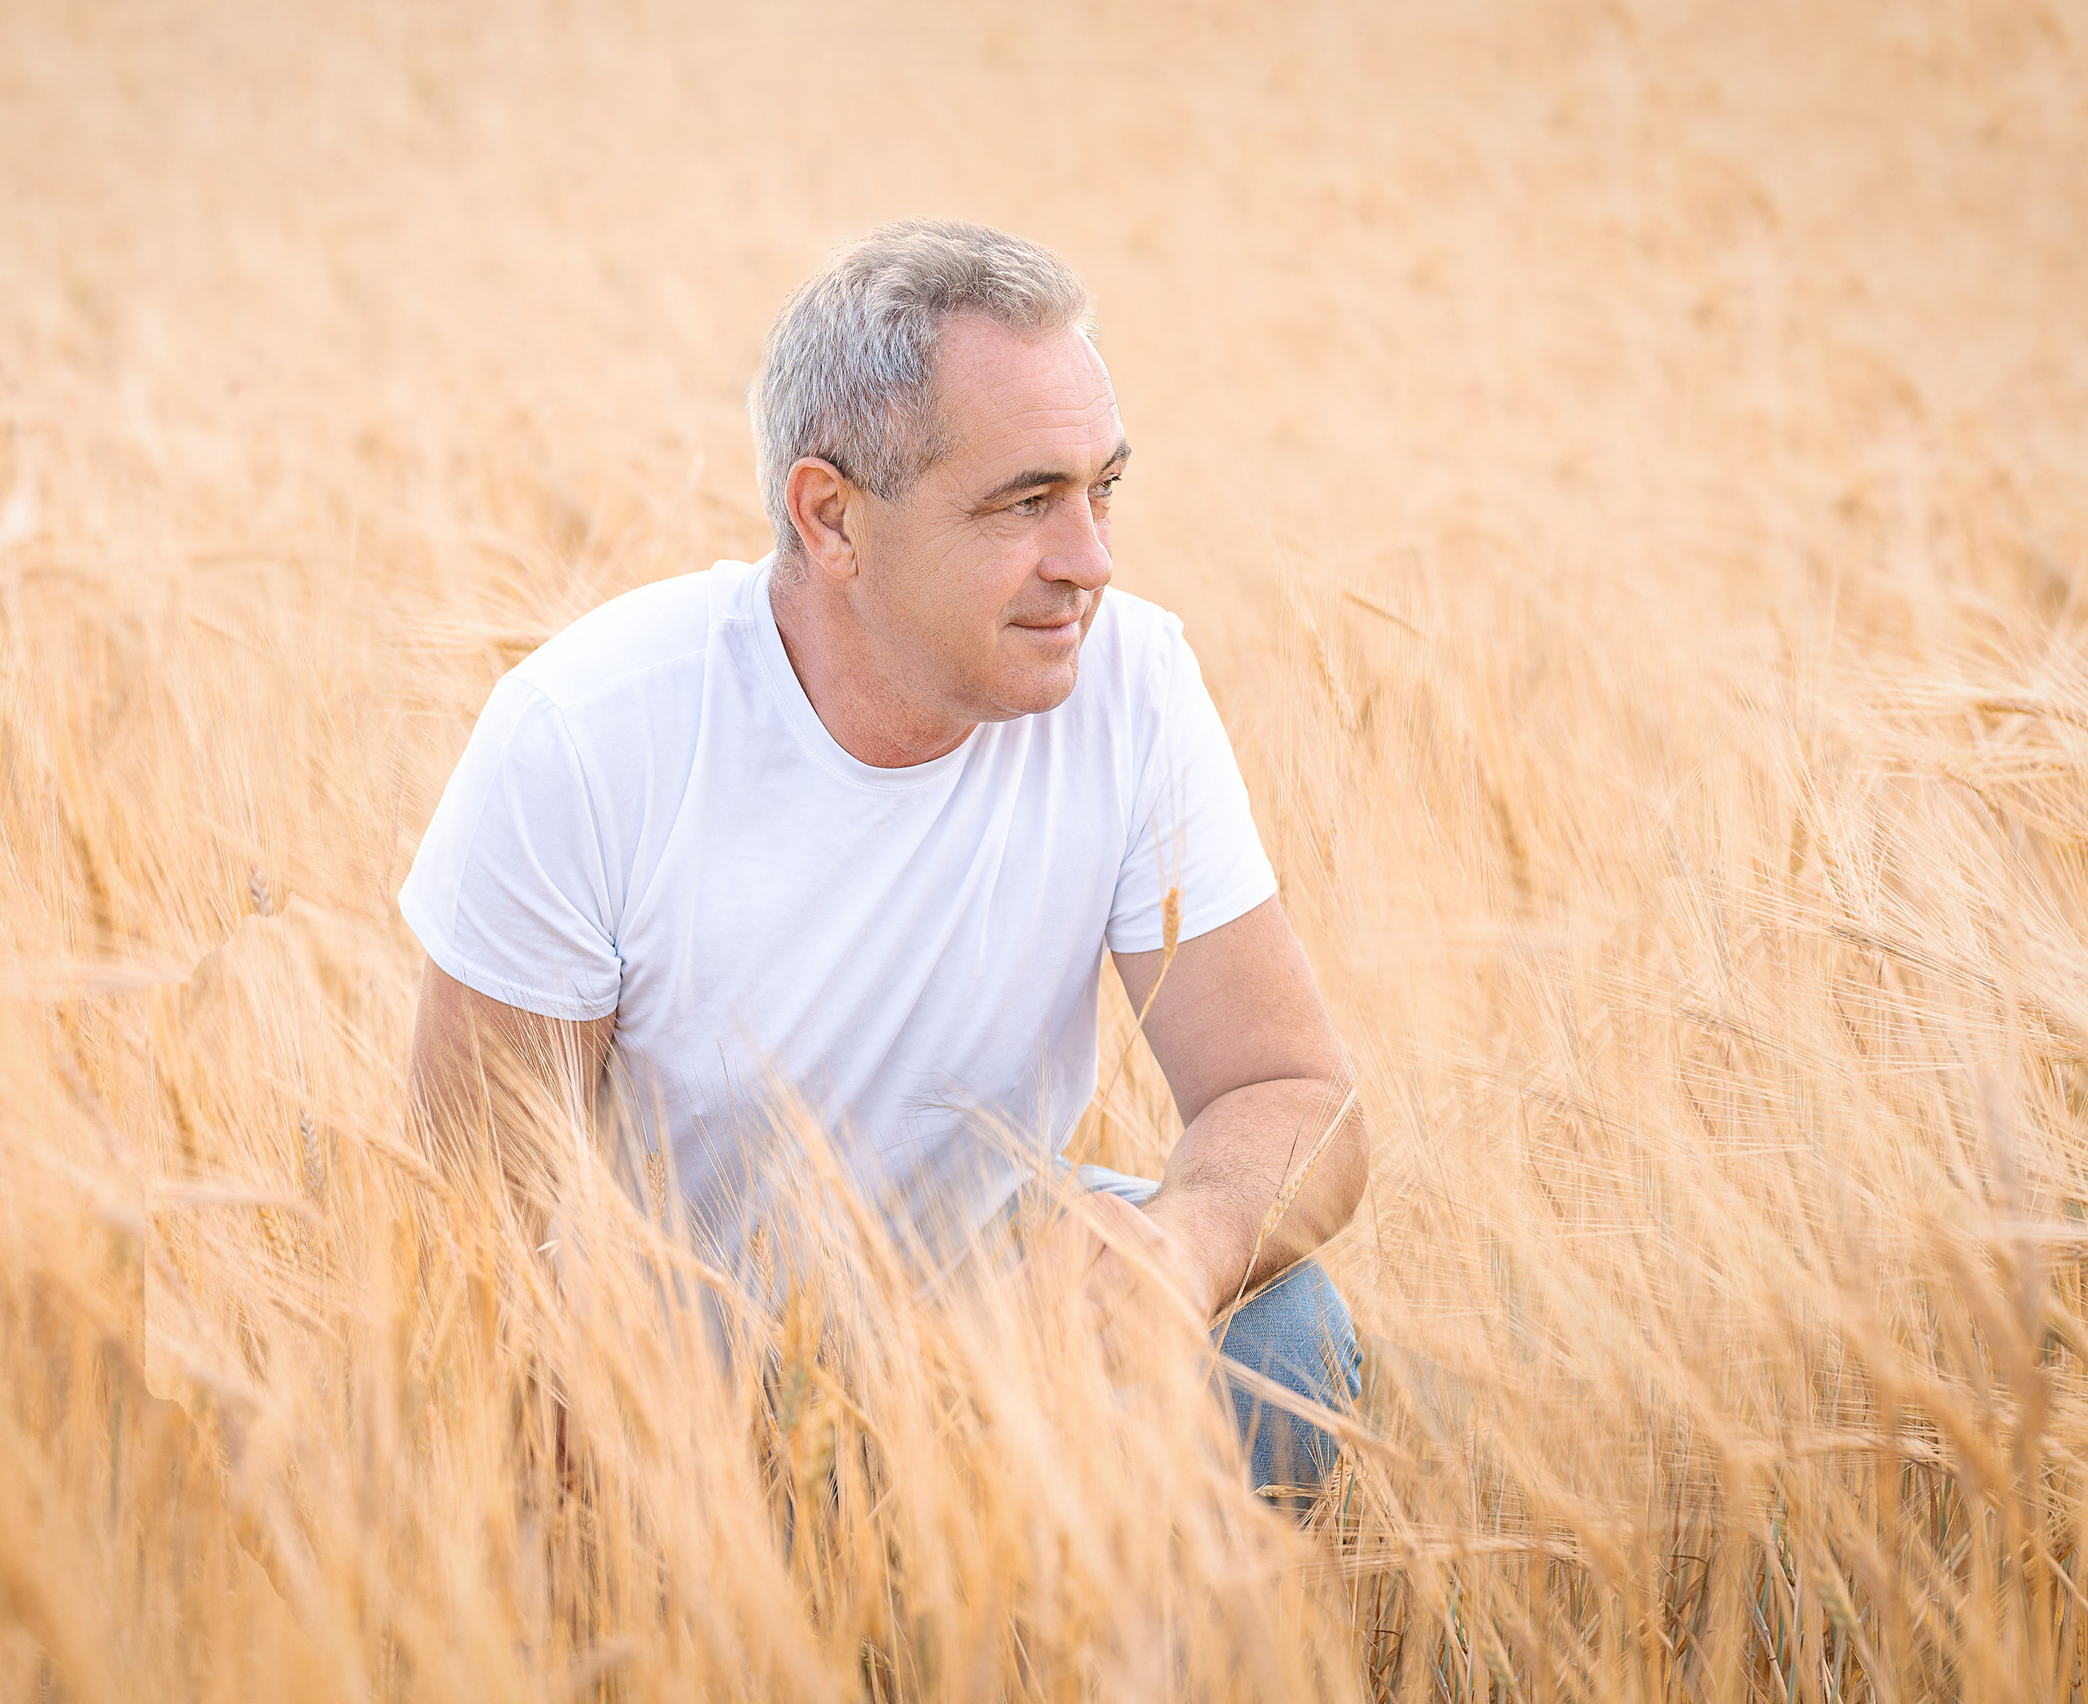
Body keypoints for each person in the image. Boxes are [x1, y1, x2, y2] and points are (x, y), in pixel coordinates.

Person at [402, 219, 1366, 1500]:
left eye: (1103, 488)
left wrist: (1177, 1248)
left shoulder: (1130, 684)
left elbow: (1293, 1089)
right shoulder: (588, 737)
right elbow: (467, 1243)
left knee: (1278, 1345)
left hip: (990, 1334)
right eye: (1026, 501)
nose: (1091, 560)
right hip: (658, 1394)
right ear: (832, 518)